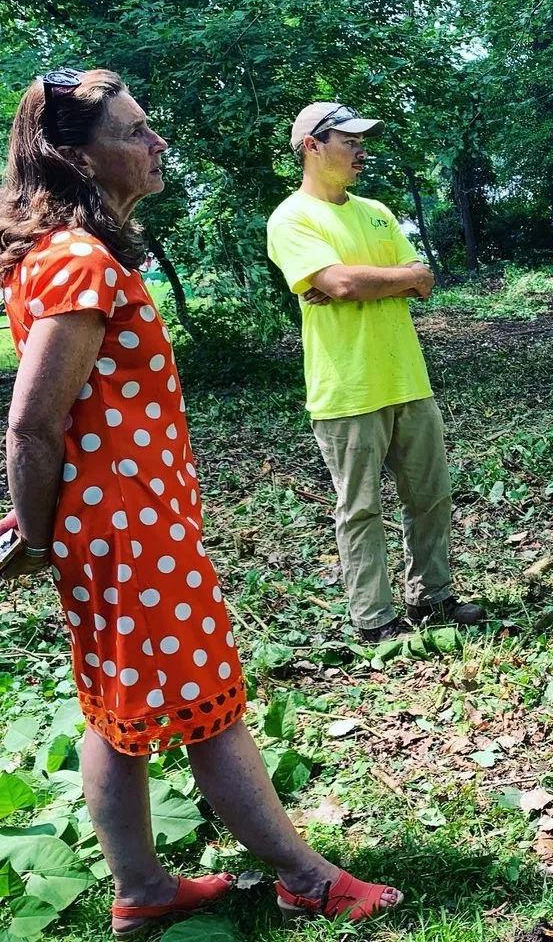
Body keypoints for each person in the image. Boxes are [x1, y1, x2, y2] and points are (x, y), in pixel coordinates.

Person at [0, 70, 403, 935]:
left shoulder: (57, 255)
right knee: (209, 707)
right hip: (127, 529)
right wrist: (33, 536)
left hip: (117, 522)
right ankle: (305, 876)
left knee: (116, 710)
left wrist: (46, 528)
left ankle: (141, 890)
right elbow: (32, 426)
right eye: (136, 131)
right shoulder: (75, 261)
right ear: (75, 156)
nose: (157, 144)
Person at [266, 102, 482, 643]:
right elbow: (342, 284)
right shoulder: (292, 218)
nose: (361, 150)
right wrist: (388, 279)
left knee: (430, 497)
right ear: (313, 146)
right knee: (359, 508)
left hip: (407, 378)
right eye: (349, 140)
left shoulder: (377, 212)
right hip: (346, 388)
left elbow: (422, 278)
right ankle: (375, 620)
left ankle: (434, 598)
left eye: (362, 140)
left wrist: (368, 280)